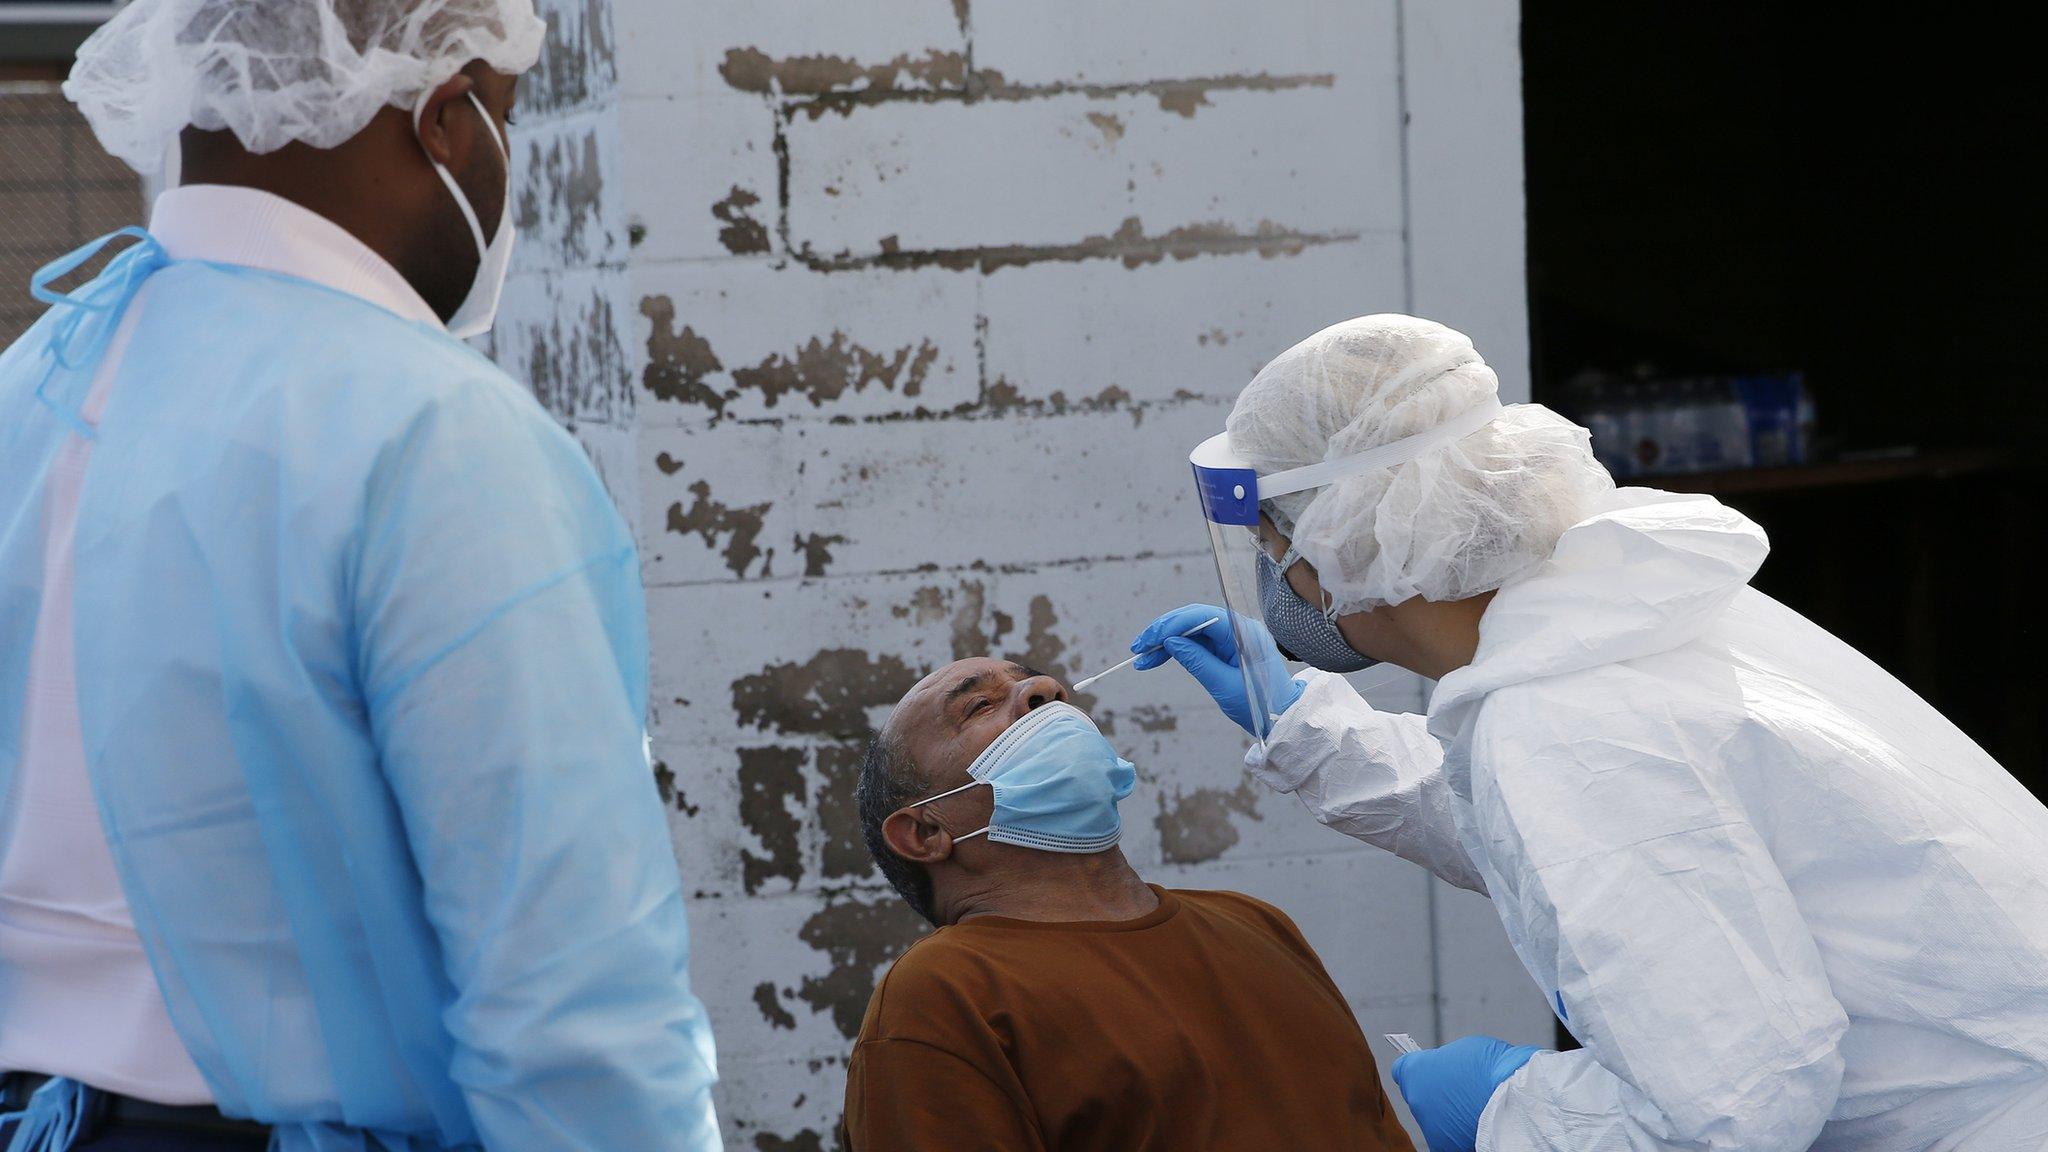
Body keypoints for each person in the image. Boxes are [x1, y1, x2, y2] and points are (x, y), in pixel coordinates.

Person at [0, 2, 718, 1148]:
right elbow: (573, 1010)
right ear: (447, 117)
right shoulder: (432, 431)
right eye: (507, 121)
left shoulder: (37, 381)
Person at [1137, 314, 2048, 1151]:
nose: (1277, 579)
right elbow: (1560, 833)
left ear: (1339, 544)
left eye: (1272, 547)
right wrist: (1305, 728)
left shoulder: (1565, 725)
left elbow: (1733, 1113)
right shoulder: (1609, 607)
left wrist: (1512, 1110)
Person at [844, 657, 1415, 1152]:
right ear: (924, 833)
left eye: (1037, 683)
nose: (1046, 690)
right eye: (978, 706)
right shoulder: (945, 993)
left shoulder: (1255, 922)